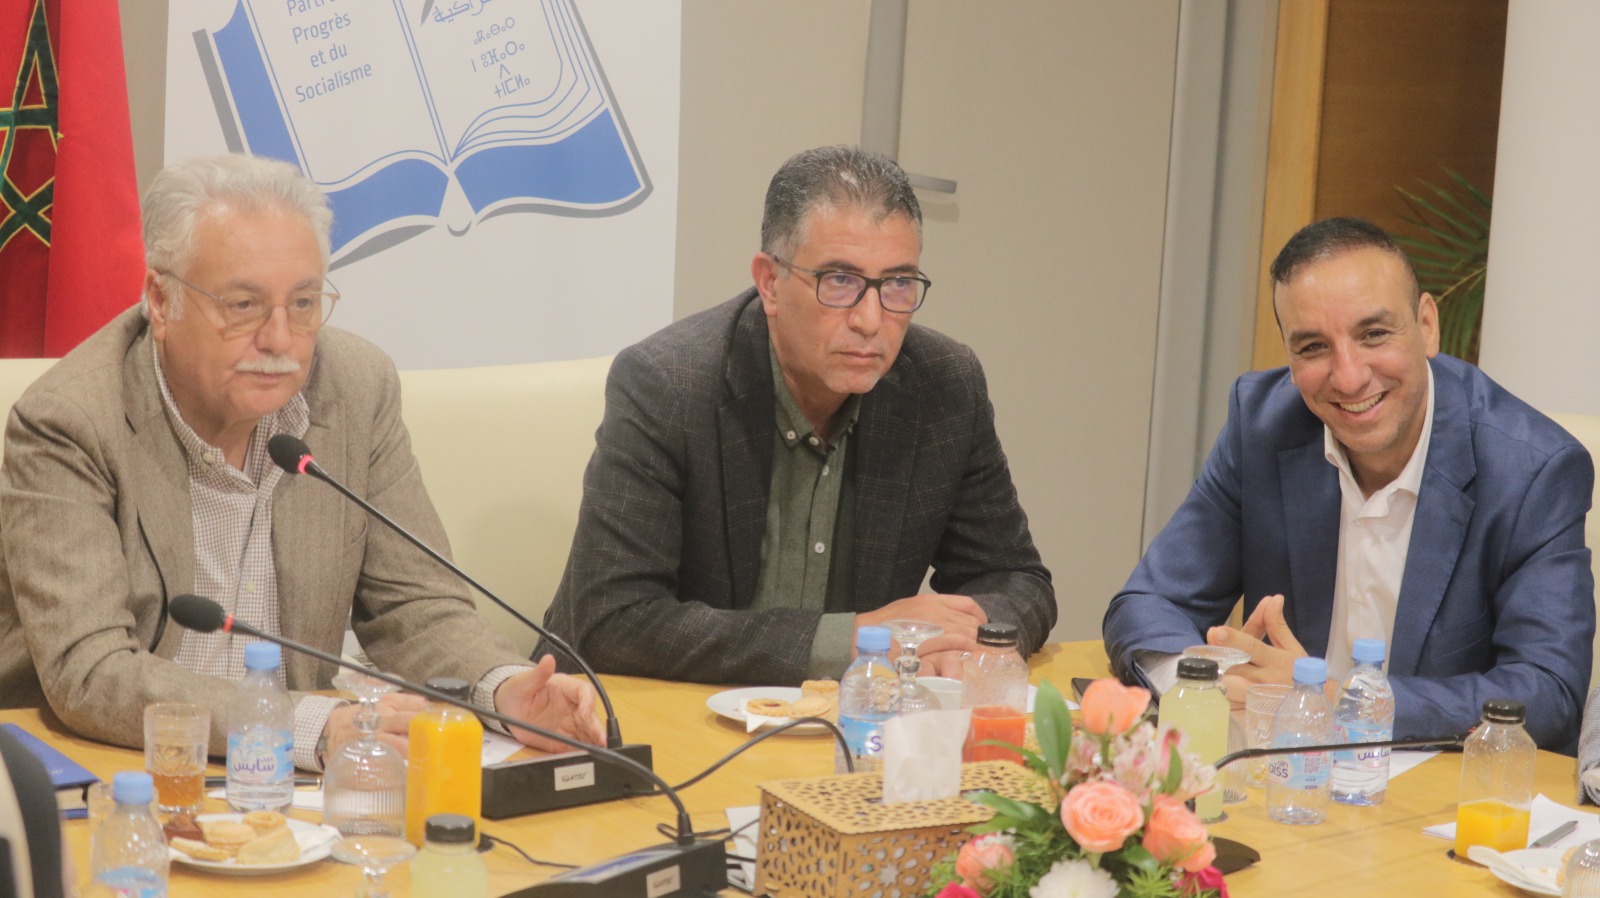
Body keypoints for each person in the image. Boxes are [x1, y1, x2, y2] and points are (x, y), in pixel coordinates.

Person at [0, 154, 604, 768]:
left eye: (304, 303)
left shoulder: (356, 387)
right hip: (117, 767)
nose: (280, 340)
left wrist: (507, 690)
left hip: (301, 790)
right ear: (161, 300)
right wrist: (304, 725)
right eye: (243, 305)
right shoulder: (71, 422)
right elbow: (91, 671)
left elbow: (416, 606)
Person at [539, 145, 1055, 685]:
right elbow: (614, 621)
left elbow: (1015, 579)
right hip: (647, 710)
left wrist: (964, 645)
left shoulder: (943, 385)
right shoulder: (668, 383)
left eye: (898, 284)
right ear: (769, 282)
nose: (870, 320)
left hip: (848, 720)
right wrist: (848, 640)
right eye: (840, 281)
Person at [1102, 217, 1593, 752]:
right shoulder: (1263, 426)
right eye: (1313, 347)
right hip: (1282, 770)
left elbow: (1548, 696)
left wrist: (1340, 703)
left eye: (1374, 334)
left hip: (1435, 786)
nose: (1350, 376)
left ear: (1427, 325)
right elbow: (1149, 604)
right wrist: (1206, 689)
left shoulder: (1531, 470)